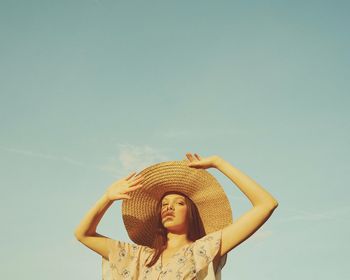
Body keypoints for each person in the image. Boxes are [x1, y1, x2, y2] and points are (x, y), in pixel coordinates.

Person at [74, 153, 279, 279]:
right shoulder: (139, 257)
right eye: (164, 204)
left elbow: (266, 204)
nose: (168, 207)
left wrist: (219, 163)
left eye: (178, 203)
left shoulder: (204, 249)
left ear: (191, 213)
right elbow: (84, 234)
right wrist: (107, 198)